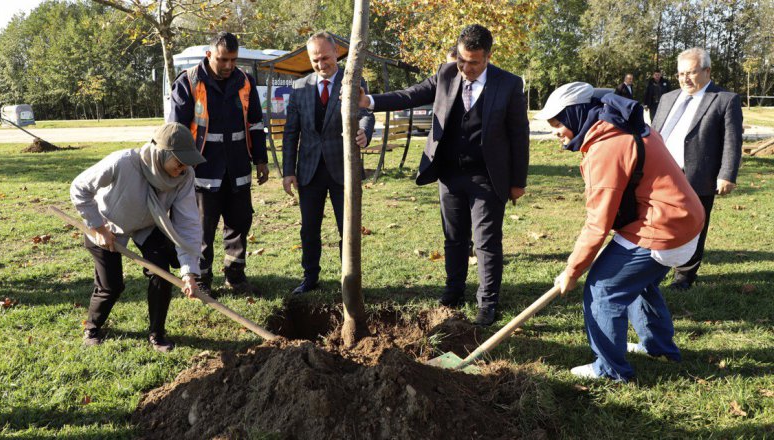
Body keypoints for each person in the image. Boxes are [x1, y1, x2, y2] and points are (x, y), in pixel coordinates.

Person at [358, 24, 530, 326]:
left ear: (488, 56)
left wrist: (518, 181)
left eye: (474, 62)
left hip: (487, 177)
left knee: (486, 241)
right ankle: (453, 293)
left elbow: (519, 135)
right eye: (462, 60)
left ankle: (487, 303)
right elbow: (410, 95)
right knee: (453, 238)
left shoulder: (509, 84)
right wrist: (370, 102)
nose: (466, 68)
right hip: (449, 174)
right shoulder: (447, 73)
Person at [537, 82, 705, 381]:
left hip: (663, 227)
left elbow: (597, 223)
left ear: (576, 114)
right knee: (637, 283)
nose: (555, 131)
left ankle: (610, 369)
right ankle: (659, 348)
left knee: (602, 289)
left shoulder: (607, 146)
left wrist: (572, 271)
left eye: (558, 123)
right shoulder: (623, 123)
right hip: (685, 219)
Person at [70, 122, 205, 352]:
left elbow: (188, 224)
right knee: (111, 286)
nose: (182, 169)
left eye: (187, 164)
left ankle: (157, 333)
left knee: (161, 274)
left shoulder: (184, 177)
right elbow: (79, 188)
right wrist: (98, 228)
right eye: (179, 162)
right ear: (162, 153)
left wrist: (189, 272)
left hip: (149, 224)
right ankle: (92, 327)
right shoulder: (123, 162)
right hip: (108, 224)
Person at [168, 32, 269, 297]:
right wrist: (178, 166)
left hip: (237, 167)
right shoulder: (188, 82)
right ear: (209, 55)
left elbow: (256, 123)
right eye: (223, 59)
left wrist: (260, 159)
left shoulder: (245, 81)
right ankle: (201, 280)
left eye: (233, 60)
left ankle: (235, 277)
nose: (228, 66)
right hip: (201, 170)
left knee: (239, 223)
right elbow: (175, 131)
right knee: (201, 229)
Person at [281, 32, 375, 295]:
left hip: (342, 169)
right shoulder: (300, 88)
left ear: (337, 54)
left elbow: (366, 114)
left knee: (348, 229)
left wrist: (364, 132)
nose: (321, 64)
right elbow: (291, 132)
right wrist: (288, 171)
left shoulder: (354, 79)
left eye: (325, 58)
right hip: (309, 172)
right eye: (315, 60)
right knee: (309, 229)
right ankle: (310, 277)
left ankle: (350, 280)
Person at [651, 48, 742, 290]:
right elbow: (654, 133)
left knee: (693, 225)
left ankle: (685, 275)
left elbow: (732, 141)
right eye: (681, 74)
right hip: (661, 174)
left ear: (707, 71)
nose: (685, 79)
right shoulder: (668, 98)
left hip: (698, 175)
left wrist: (726, 174)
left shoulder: (725, 99)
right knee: (658, 220)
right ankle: (654, 266)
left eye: (691, 73)